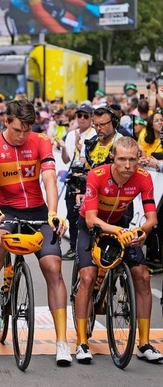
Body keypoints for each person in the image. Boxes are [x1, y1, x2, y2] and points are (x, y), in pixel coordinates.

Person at [0, 99, 71, 365]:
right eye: (17, 129)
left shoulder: (40, 140)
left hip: (38, 211)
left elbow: (50, 178)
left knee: (54, 268)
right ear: (6, 121)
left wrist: (53, 213)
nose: (22, 135)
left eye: (27, 130)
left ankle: (62, 342)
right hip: (6, 208)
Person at [74, 137, 161, 363]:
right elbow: (92, 218)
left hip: (120, 227)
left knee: (142, 275)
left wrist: (143, 231)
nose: (127, 165)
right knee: (88, 276)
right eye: (122, 159)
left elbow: (152, 218)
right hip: (92, 227)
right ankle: (81, 342)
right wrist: (118, 231)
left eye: (132, 159)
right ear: (113, 157)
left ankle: (143, 344)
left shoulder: (143, 177)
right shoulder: (97, 175)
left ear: (138, 158)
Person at [56, 104, 96, 261]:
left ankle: (87, 247)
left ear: (91, 118)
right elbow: (66, 159)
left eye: (86, 116)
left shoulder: (93, 134)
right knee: (71, 214)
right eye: (80, 116)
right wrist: (65, 147)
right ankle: (73, 246)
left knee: (86, 215)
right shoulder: (72, 134)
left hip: (86, 178)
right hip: (73, 176)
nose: (82, 119)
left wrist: (80, 146)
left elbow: (88, 160)